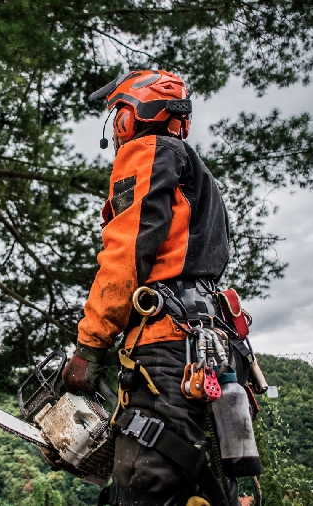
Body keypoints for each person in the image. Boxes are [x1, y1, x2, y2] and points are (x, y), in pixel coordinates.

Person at [62, 70, 242, 506]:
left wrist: (89, 347)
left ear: (131, 115)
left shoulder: (146, 152)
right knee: (203, 487)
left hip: (165, 349)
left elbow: (125, 256)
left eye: (118, 116)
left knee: (145, 484)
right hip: (211, 348)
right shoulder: (199, 176)